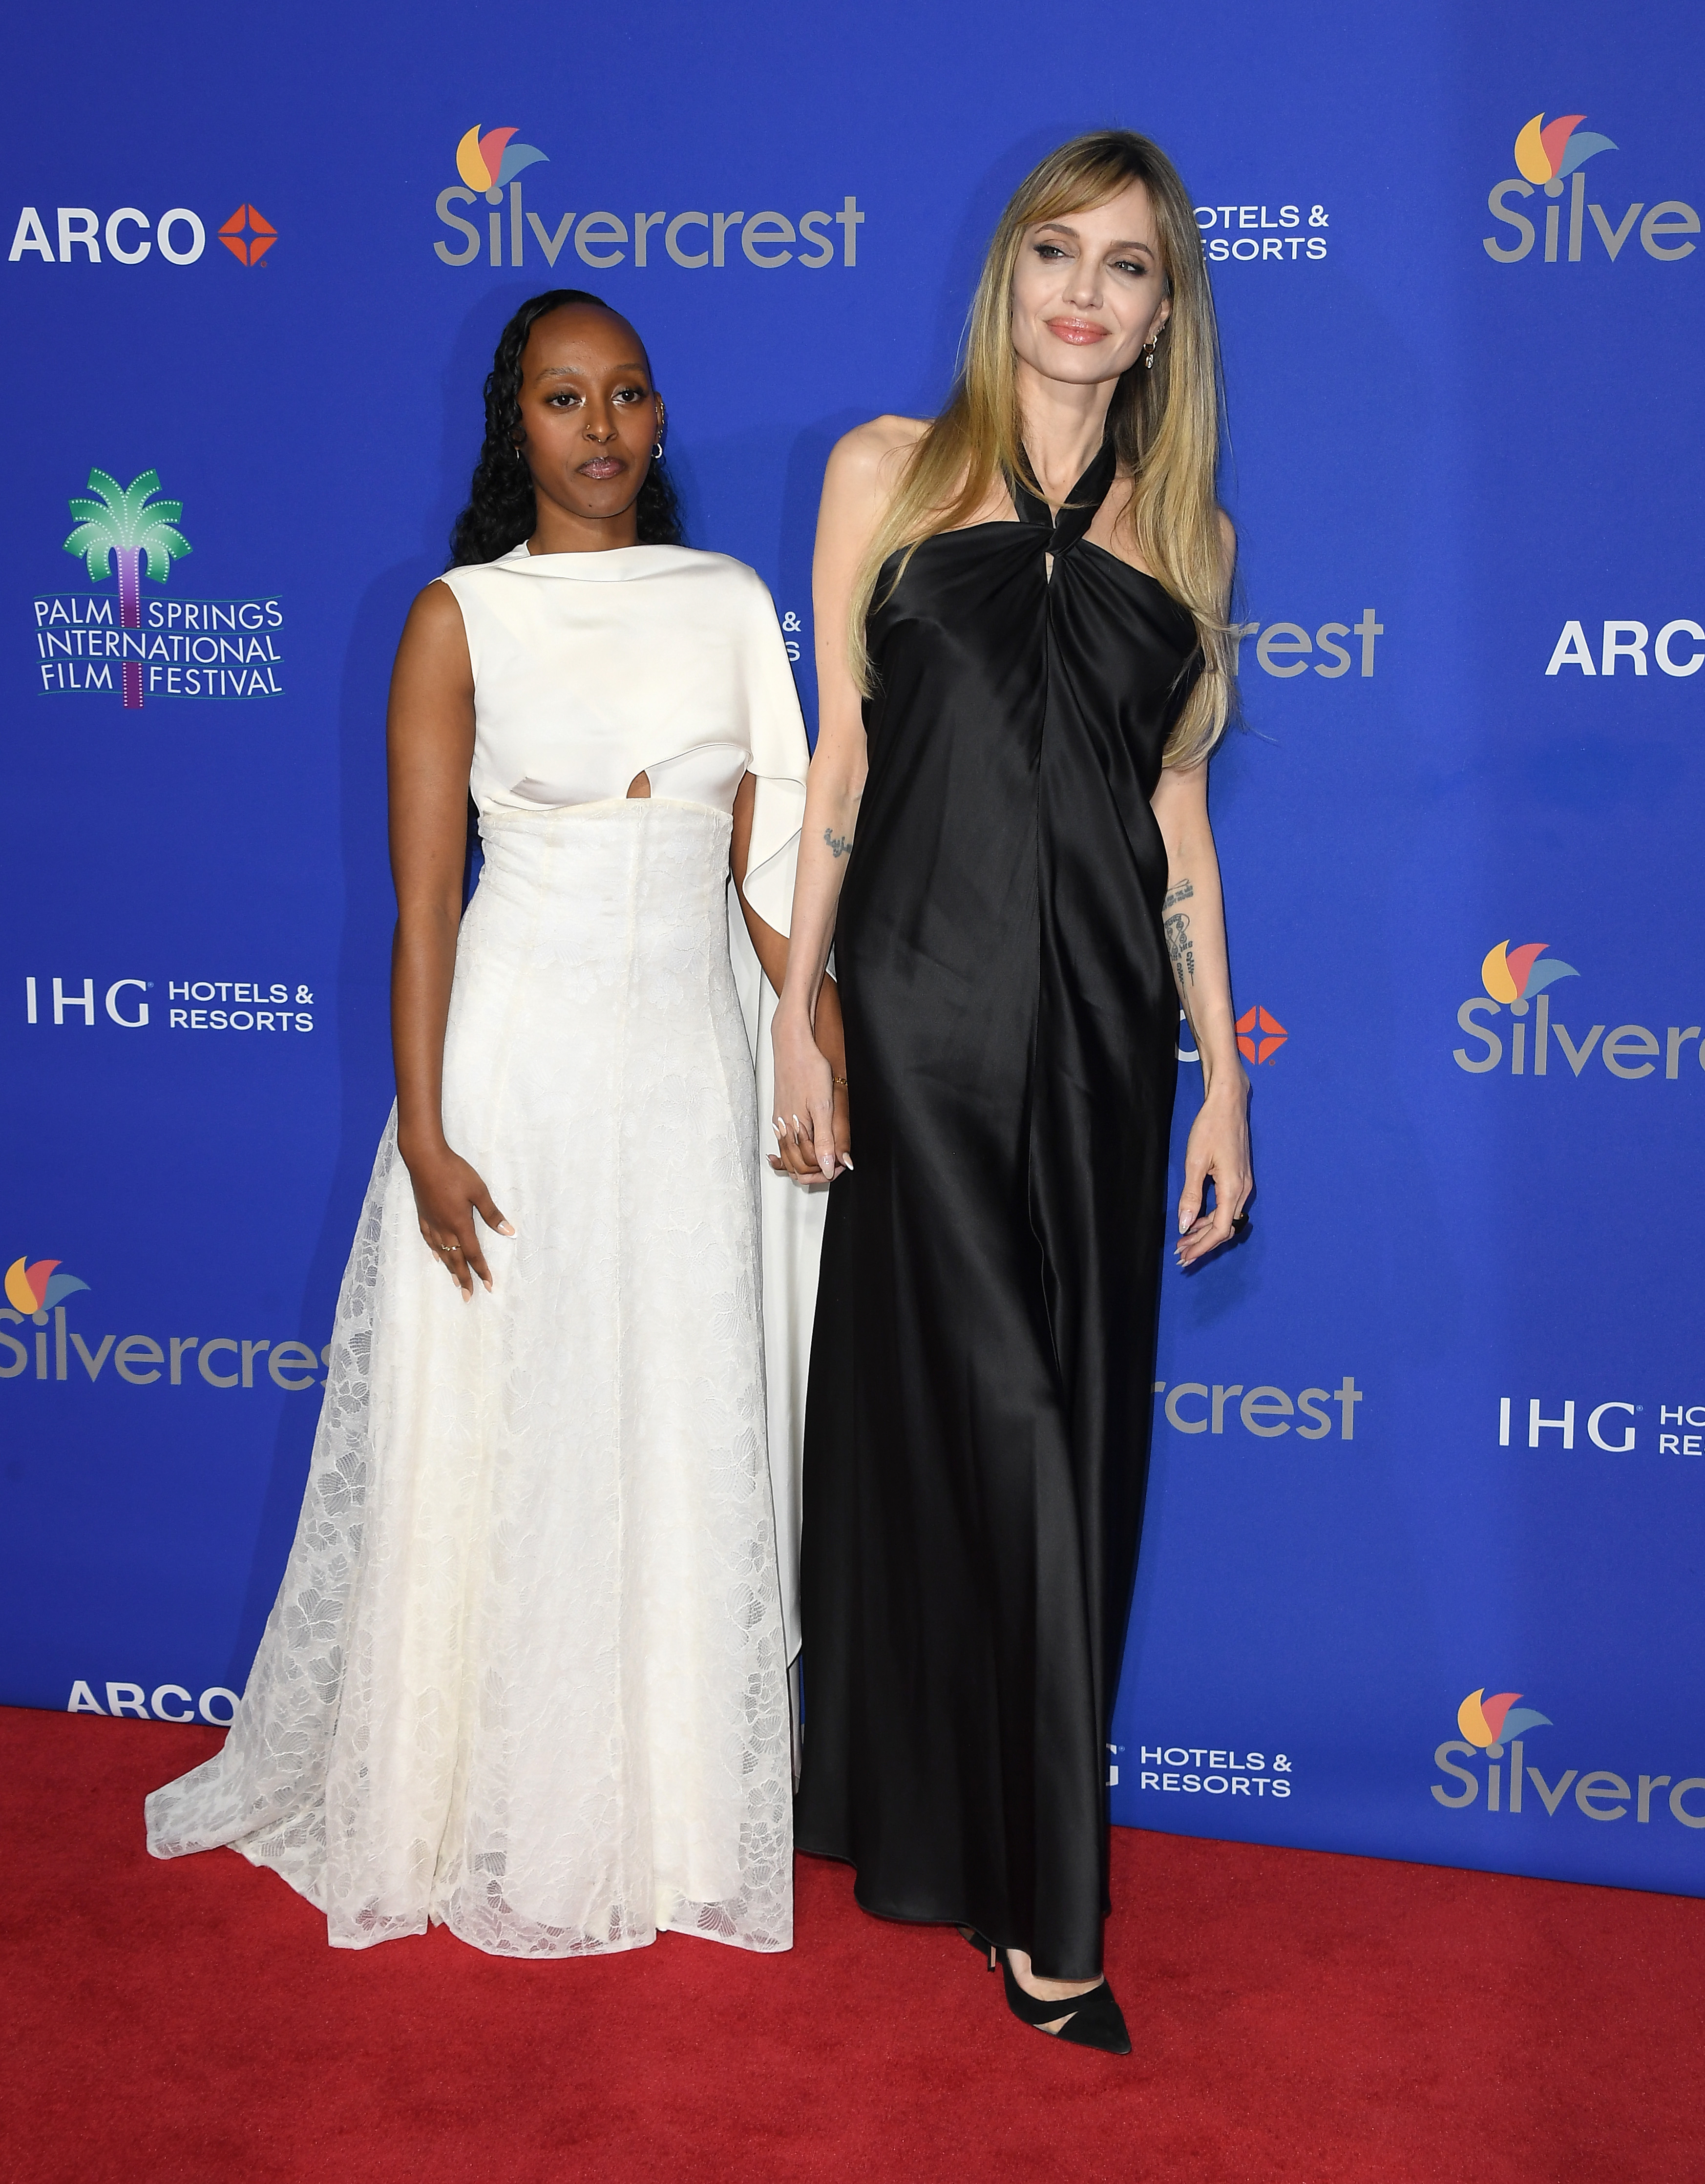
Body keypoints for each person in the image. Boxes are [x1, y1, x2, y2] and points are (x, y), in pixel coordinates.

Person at [147, 288, 833, 1957]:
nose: (597, 428)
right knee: (510, 1435)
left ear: (661, 423)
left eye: (627, 396)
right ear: (509, 425)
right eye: (560, 398)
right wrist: (426, 1129)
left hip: (686, 1068)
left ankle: (669, 1815)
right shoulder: (460, 617)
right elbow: (424, 909)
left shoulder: (731, 602)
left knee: (674, 1420)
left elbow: (767, 867)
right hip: (513, 1066)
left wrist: (813, 1042)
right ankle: (485, 1798)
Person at [770, 132, 1251, 2050]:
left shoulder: (1190, 534)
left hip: (1104, 1044)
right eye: (1058, 249)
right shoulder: (883, 467)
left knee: (1075, 1453)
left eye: (1127, 266)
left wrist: (1225, 1081)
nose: (1084, 289)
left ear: (1160, 315)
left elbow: (1180, 817)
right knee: (1017, 1425)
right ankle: (1053, 1914)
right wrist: (798, 1009)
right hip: (919, 1015)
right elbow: (836, 773)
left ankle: (986, 1843)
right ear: (1011, 272)